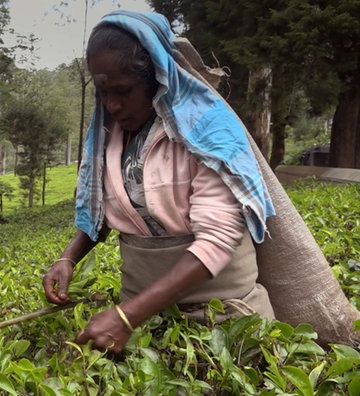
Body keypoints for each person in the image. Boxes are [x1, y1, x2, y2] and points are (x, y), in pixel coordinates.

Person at [42, 10, 277, 354]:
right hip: (144, 324)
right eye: (104, 91)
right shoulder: (109, 136)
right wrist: (68, 258)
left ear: (157, 76)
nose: (112, 104)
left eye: (123, 90)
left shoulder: (209, 130)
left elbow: (217, 239)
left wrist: (125, 317)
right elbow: (104, 209)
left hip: (224, 322)